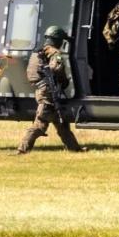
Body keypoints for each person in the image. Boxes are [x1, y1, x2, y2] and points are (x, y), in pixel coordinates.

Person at [18, 25, 86, 153]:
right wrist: (63, 81)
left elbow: (33, 74)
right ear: (58, 40)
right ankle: (22, 149)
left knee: (62, 123)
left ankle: (74, 149)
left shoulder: (38, 52)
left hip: (43, 90)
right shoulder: (55, 53)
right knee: (40, 123)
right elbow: (56, 69)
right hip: (48, 92)